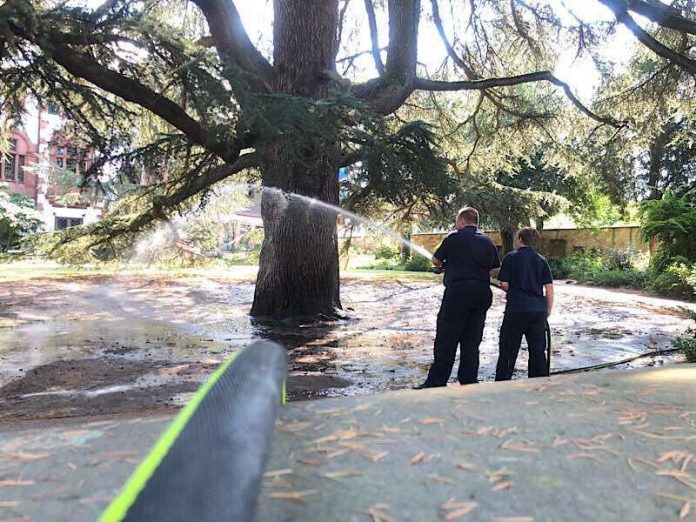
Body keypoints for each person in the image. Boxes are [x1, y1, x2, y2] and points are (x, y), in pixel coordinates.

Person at [414, 207, 501, 389]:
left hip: (457, 293)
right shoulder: (487, 241)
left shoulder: (454, 237)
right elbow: (494, 270)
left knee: (447, 338)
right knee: (472, 340)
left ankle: (437, 381)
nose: (456, 224)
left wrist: (448, 265)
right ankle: (469, 380)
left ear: (462, 221)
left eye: (456, 221)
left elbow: (436, 261)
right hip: (481, 294)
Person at [494, 227, 554, 381]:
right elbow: (549, 288)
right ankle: (538, 382)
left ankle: (503, 382)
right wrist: (548, 309)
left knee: (508, 349)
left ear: (520, 239)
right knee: (538, 351)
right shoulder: (542, 260)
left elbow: (505, 284)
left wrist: (512, 290)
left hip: (516, 309)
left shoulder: (511, 258)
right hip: (538, 311)